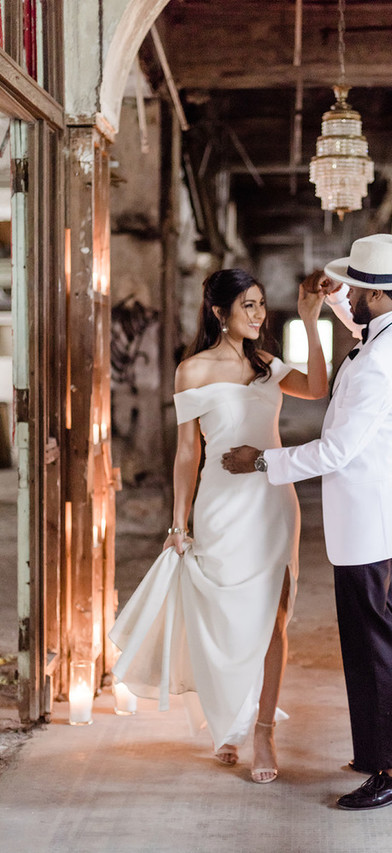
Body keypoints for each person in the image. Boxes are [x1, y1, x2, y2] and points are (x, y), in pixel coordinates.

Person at [222, 234, 392, 809]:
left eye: (358, 289)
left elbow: (333, 452)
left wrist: (263, 461)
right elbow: (369, 330)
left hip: (369, 515)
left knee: (371, 644)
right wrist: (339, 303)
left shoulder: (378, 369)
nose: (355, 298)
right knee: (389, 633)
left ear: (375, 292)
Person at [110, 268, 328, 784]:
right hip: (221, 506)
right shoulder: (193, 370)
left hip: (272, 503)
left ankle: (263, 730)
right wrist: (177, 522)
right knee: (222, 616)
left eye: (260, 304)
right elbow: (188, 453)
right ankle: (226, 722)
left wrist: (312, 322)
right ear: (218, 312)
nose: (257, 314)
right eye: (247, 306)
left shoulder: (266, 365)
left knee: (274, 618)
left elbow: (318, 387)